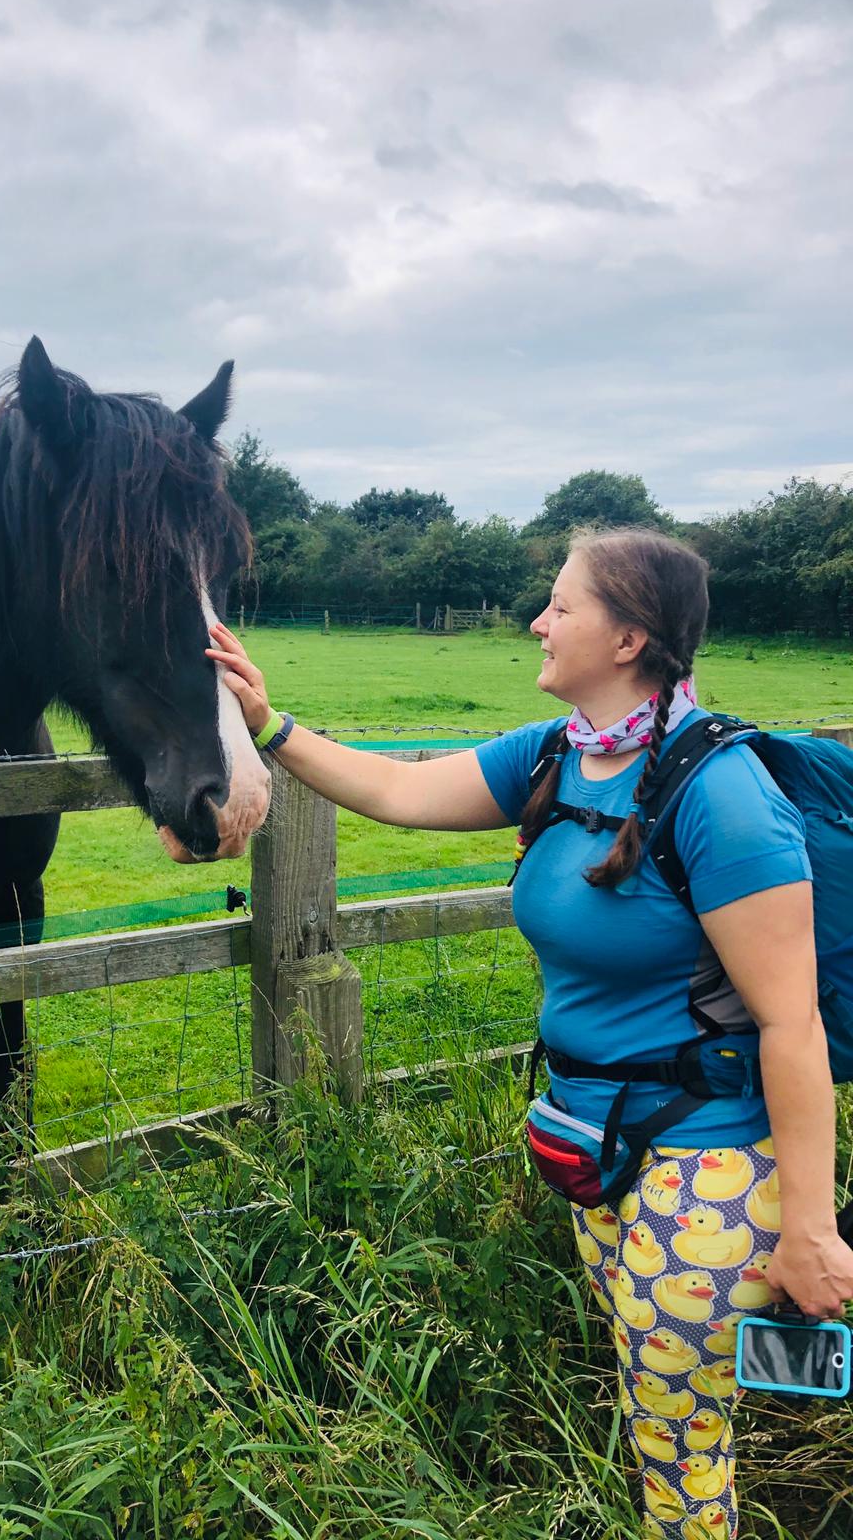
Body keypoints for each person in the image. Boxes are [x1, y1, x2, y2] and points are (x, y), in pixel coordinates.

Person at [207, 527, 853, 1538]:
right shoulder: (562, 757)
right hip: (595, 1153)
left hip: (704, 1167)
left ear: (630, 636)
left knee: (683, 1462)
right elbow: (400, 791)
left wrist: (811, 1232)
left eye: (561, 605)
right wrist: (270, 723)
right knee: (663, 1434)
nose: (536, 622)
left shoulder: (720, 794)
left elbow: (793, 1024)